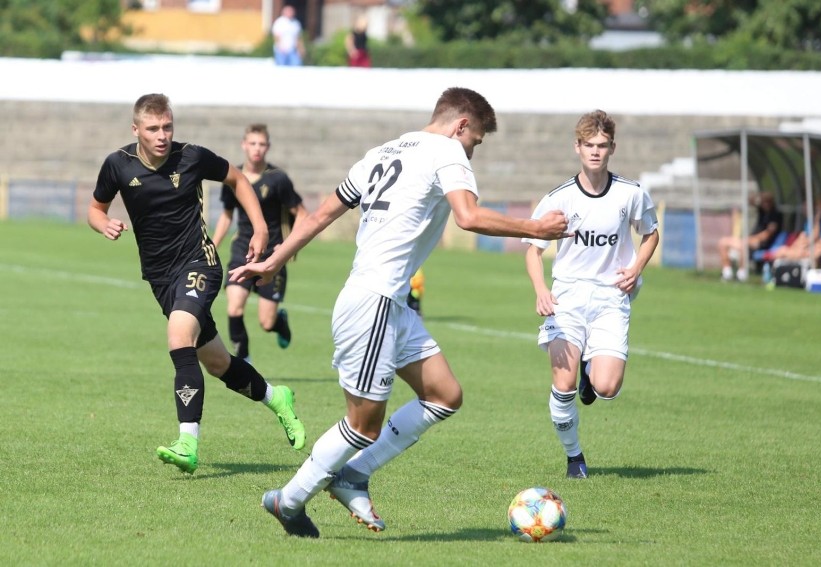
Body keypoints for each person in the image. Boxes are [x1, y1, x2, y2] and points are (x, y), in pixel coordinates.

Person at [229, 87, 568, 537]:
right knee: (362, 423)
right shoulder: (448, 150)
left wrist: (275, 259)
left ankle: (353, 476)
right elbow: (467, 216)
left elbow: (320, 216)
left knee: (445, 395)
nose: (473, 151)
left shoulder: (384, 150)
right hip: (372, 301)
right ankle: (288, 500)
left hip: (390, 304)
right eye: (476, 141)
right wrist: (537, 228)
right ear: (460, 125)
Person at [87, 94, 306, 476]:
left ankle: (187, 442)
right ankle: (277, 398)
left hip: (198, 262)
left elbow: (236, 178)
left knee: (178, 338)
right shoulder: (118, 165)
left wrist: (257, 227)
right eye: (153, 128)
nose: (162, 135)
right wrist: (102, 223)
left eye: (167, 126)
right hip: (159, 277)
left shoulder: (191, 157)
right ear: (135, 129)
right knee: (218, 363)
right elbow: (96, 207)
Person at [523, 110, 659, 479]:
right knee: (563, 386)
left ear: (612, 147)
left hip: (611, 298)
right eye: (589, 145)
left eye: (602, 145)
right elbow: (533, 250)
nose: (595, 152)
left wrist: (636, 269)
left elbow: (650, 233)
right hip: (566, 298)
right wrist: (540, 291)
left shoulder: (631, 193)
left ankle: (590, 370)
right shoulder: (559, 199)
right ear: (577, 147)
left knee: (607, 387)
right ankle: (574, 459)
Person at [212, 124, 308, 362]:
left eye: (262, 144)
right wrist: (213, 245)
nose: (257, 149)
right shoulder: (233, 176)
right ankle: (244, 360)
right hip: (242, 250)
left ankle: (279, 322)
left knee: (266, 322)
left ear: (268, 147)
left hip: (272, 254)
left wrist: (286, 248)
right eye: (252, 143)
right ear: (244, 145)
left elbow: (303, 215)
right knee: (234, 307)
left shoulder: (278, 179)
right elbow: (226, 215)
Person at [717, 191, 783, 282]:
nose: (765, 204)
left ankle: (742, 274)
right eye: (763, 201)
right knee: (723, 242)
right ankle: (727, 272)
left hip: (762, 243)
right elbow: (751, 200)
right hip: (751, 239)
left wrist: (753, 239)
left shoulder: (775, 215)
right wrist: (757, 197)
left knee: (743, 245)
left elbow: (768, 234)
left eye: (767, 201)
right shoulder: (762, 211)